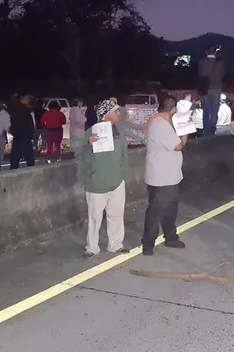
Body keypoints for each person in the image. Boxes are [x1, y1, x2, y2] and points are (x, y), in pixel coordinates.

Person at [75, 98, 130, 259]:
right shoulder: (91, 132)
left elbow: (123, 155)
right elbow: (80, 156)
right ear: (106, 115)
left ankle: (116, 244)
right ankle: (92, 247)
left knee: (116, 215)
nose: (119, 113)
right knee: (94, 217)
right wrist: (89, 146)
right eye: (115, 111)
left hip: (117, 181)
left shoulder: (118, 131)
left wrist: (123, 174)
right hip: (96, 183)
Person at [141, 95, 188, 256]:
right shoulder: (160, 124)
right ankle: (148, 243)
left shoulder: (160, 122)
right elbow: (177, 146)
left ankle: (170, 237)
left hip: (169, 176)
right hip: (162, 177)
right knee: (156, 211)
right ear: (173, 109)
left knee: (170, 209)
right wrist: (186, 131)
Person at [197, 45, 225, 136]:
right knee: (214, 111)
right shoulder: (220, 63)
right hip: (216, 89)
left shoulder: (202, 62)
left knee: (206, 111)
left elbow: (199, 74)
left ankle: (206, 131)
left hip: (205, 89)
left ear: (206, 52)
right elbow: (223, 74)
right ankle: (212, 130)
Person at [9, 95, 36, 169]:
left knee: (15, 156)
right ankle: (31, 169)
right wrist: (31, 133)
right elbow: (29, 123)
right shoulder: (25, 110)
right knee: (28, 155)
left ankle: (13, 170)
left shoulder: (15, 109)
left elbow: (12, 122)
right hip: (25, 135)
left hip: (18, 135)